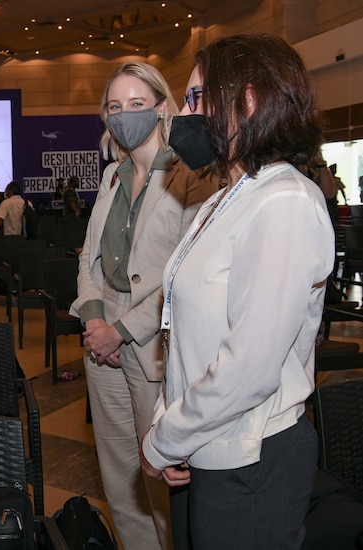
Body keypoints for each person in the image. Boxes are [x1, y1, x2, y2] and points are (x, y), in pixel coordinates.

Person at [140, 34, 334, 548]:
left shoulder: (285, 200)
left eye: (197, 98)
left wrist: (163, 439)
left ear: (247, 101)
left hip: (252, 458)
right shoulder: (224, 200)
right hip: (201, 445)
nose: (183, 113)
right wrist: (170, 425)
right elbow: (183, 334)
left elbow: (247, 367)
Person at [68, 61, 217, 550]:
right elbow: (89, 257)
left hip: (152, 342)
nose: (125, 114)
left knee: (157, 473)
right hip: (101, 342)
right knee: (120, 475)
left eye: (137, 104)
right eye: (115, 106)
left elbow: (187, 273)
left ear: (161, 108)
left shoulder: (190, 174)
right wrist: (94, 322)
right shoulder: (111, 175)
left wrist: (122, 330)